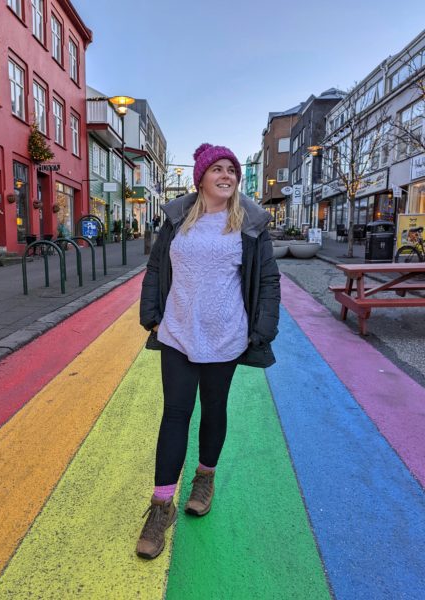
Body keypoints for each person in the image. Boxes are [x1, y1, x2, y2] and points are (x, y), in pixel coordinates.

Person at [137, 143, 281, 559]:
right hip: (178, 333)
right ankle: (160, 506)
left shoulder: (250, 224)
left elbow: (268, 280)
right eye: (217, 169)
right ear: (200, 178)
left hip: (226, 337)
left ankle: (204, 479)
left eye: (232, 170)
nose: (227, 175)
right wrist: (153, 317)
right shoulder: (177, 219)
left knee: (214, 410)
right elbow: (155, 268)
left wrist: (262, 329)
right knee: (175, 415)